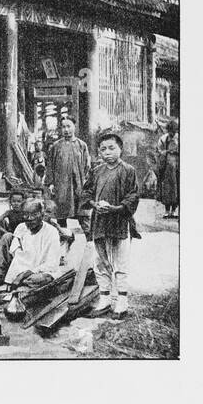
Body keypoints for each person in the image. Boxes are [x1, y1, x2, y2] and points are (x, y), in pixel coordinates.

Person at [83, 132, 141, 320]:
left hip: (119, 221)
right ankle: (105, 298)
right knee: (100, 262)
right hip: (99, 221)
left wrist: (116, 208)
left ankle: (122, 302)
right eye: (103, 149)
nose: (107, 152)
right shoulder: (96, 171)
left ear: (120, 149)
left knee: (120, 262)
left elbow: (133, 195)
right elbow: (87, 192)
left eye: (111, 148)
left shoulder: (128, 170)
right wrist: (94, 205)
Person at [3, 200, 66, 289]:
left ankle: (21, 282)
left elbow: (52, 264)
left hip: (39, 271)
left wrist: (25, 274)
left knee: (41, 278)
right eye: (26, 215)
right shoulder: (21, 228)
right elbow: (16, 255)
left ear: (42, 214)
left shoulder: (51, 232)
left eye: (34, 214)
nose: (29, 218)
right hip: (20, 270)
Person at [45, 117, 90, 224]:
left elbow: (87, 166)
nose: (66, 129)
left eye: (68, 126)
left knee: (82, 212)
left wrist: (86, 183)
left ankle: (89, 239)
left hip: (78, 184)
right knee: (61, 213)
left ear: (74, 127)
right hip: (62, 185)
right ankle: (64, 237)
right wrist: (50, 183)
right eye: (63, 127)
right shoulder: (56, 146)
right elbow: (50, 166)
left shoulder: (82, 145)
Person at [156, 118, 180, 219]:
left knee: (177, 189)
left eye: (174, 131)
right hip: (166, 169)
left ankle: (174, 211)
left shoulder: (179, 138)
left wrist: (176, 152)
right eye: (170, 131)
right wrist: (165, 152)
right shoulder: (163, 139)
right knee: (167, 189)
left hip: (178, 169)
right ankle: (166, 211)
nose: (172, 133)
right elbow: (158, 151)